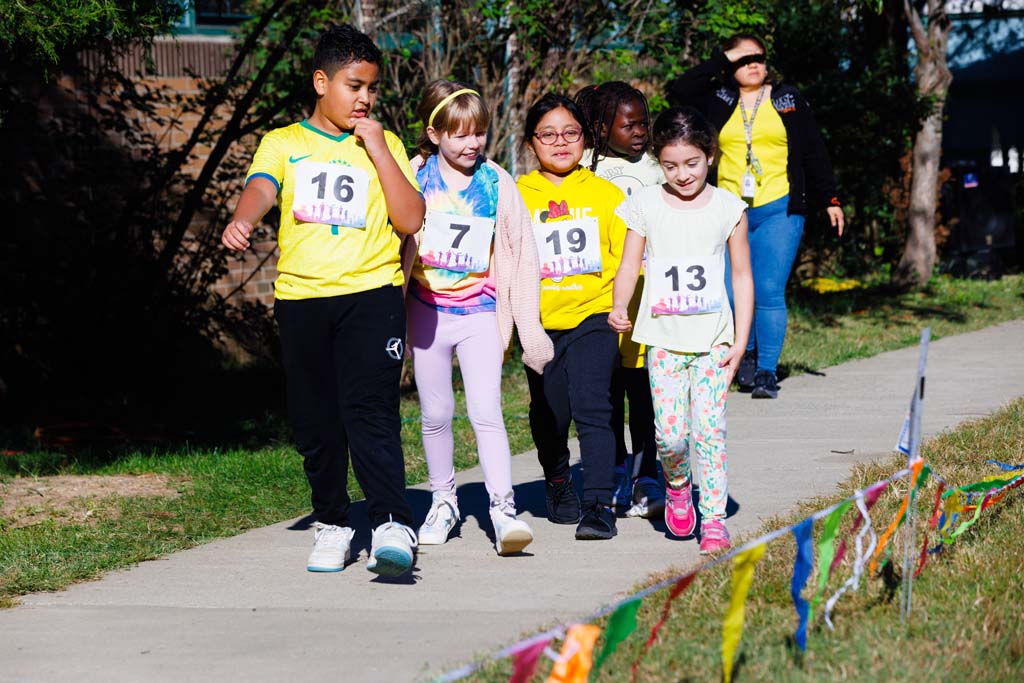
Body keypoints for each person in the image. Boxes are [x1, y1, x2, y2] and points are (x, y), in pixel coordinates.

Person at [221, 25, 425, 577]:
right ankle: (333, 522)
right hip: (303, 299)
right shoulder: (284, 141)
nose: (365, 98)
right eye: (354, 86)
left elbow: (410, 219)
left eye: (372, 89)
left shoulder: (387, 146)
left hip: (371, 294)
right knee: (315, 421)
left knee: (371, 414)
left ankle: (391, 523)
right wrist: (245, 217)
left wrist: (379, 147)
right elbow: (263, 185)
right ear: (321, 82)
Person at [400, 80, 553, 555]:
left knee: (486, 412)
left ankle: (503, 510)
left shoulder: (497, 182)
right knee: (436, 414)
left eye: (480, 133)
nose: (473, 144)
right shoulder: (414, 177)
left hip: (482, 314)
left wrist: (529, 328)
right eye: (461, 135)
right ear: (434, 133)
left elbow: (523, 253)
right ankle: (443, 501)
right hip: (428, 312)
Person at [608, 106, 753, 554]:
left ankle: (712, 518)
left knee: (709, 431)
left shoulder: (729, 208)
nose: (682, 174)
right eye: (670, 165)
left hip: (713, 342)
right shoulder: (646, 204)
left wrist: (741, 342)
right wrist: (619, 305)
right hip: (663, 341)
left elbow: (743, 276)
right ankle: (676, 485)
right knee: (670, 435)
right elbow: (631, 262)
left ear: (709, 156)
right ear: (658, 162)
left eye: (691, 163)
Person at [667, 33, 844, 398]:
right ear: (731, 65)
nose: (753, 65)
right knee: (729, 292)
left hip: (780, 207)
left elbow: (813, 149)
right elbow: (679, 90)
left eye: (759, 58)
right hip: (730, 211)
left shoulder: (787, 98)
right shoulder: (720, 99)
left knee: (767, 289)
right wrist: (721, 60)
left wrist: (831, 198)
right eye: (743, 60)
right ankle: (743, 353)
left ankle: (766, 370)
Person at [516, 93, 628, 541]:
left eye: (570, 133)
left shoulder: (606, 194)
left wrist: (621, 307)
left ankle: (599, 503)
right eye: (548, 134)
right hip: (537, 322)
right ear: (530, 143)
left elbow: (626, 257)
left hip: (593, 315)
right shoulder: (515, 195)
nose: (560, 142)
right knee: (550, 412)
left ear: (585, 139)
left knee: (594, 407)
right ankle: (559, 479)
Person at [575, 82, 665, 520]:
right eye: (628, 124)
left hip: (649, 295)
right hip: (603, 295)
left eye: (644, 123)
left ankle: (648, 472)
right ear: (600, 126)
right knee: (607, 388)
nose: (640, 132)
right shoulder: (586, 171)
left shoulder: (656, 167)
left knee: (642, 388)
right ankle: (612, 469)